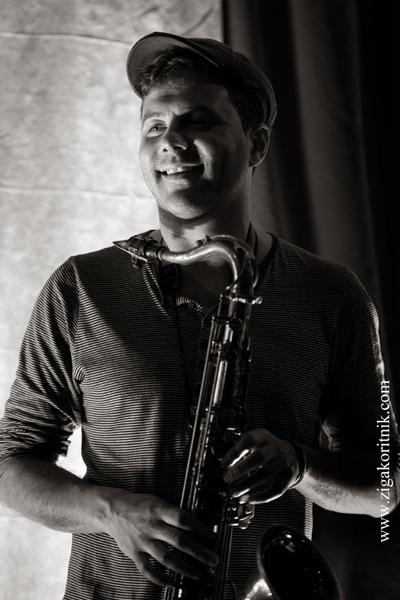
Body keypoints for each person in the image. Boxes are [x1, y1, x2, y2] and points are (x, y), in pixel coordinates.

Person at [0, 31, 399, 600]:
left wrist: (298, 465)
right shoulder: (81, 286)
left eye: (199, 122)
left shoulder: (331, 295)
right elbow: (11, 464)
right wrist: (112, 512)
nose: (170, 142)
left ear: (257, 144)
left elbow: (384, 485)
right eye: (154, 127)